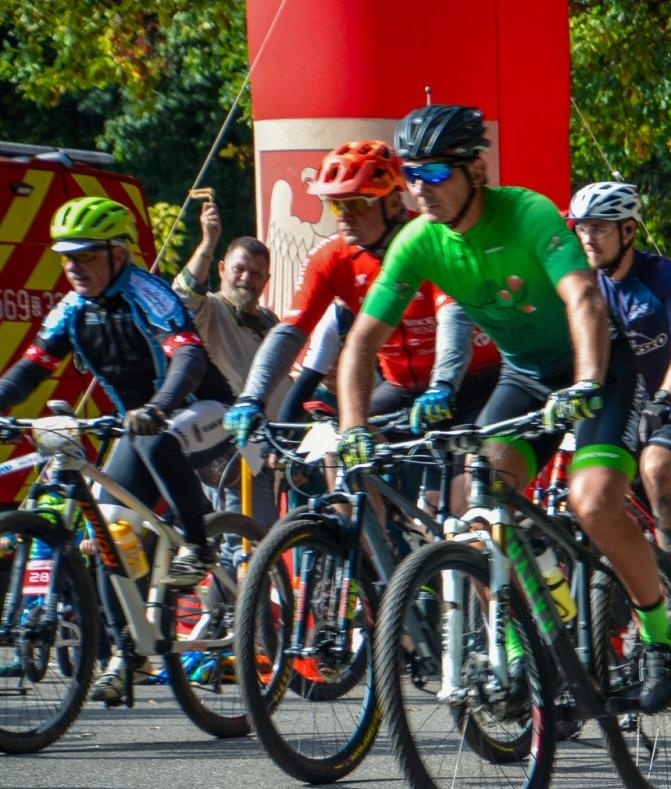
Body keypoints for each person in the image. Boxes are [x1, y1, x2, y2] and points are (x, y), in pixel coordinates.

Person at [332, 105, 671, 711]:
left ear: (476, 170)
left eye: (437, 174)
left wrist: (590, 380)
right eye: (413, 174)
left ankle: (659, 635)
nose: (420, 189)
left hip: (595, 366)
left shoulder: (528, 213)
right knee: (477, 504)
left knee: (592, 501)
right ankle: (519, 649)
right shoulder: (418, 239)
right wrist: (353, 427)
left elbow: (584, 302)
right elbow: (361, 342)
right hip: (525, 374)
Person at [0, 196, 235, 700]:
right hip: (138, 426)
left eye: (85, 255)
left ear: (118, 254)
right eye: (67, 257)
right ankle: (128, 656)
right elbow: (34, 366)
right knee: (108, 535)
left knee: (159, 437)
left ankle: (197, 541)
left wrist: (161, 404)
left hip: (199, 406)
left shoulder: (147, 293)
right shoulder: (73, 308)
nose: (73, 267)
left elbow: (188, 355)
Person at [223, 140, 501, 445]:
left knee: (455, 487)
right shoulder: (332, 258)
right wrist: (252, 397)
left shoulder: (432, 238)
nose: (343, 215)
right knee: (340, 448)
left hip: (473, 380)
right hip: (403, 386)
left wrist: (443, 384)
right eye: (335, 204)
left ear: (393, 203)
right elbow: (290, 332)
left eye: (355, 203)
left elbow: (453, 318)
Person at [567, 181, 671, 574]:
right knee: (599, 489)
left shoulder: (662, 274)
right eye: (581, 228)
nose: (588, 238)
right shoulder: (586, 286)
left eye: (599, 228)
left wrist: (664, 399)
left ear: (629, 230)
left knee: (656, 467)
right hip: (630, 398)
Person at [173, 198, 283, 520]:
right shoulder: (211, 309)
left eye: (256, 273)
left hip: (270, 446)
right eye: (239, 269)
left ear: (266, 280)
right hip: (232, 445)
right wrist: (208, 243)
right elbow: (182, 296)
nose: (247, 278)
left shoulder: (268, 319)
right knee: (248, 540)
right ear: (222, 269)